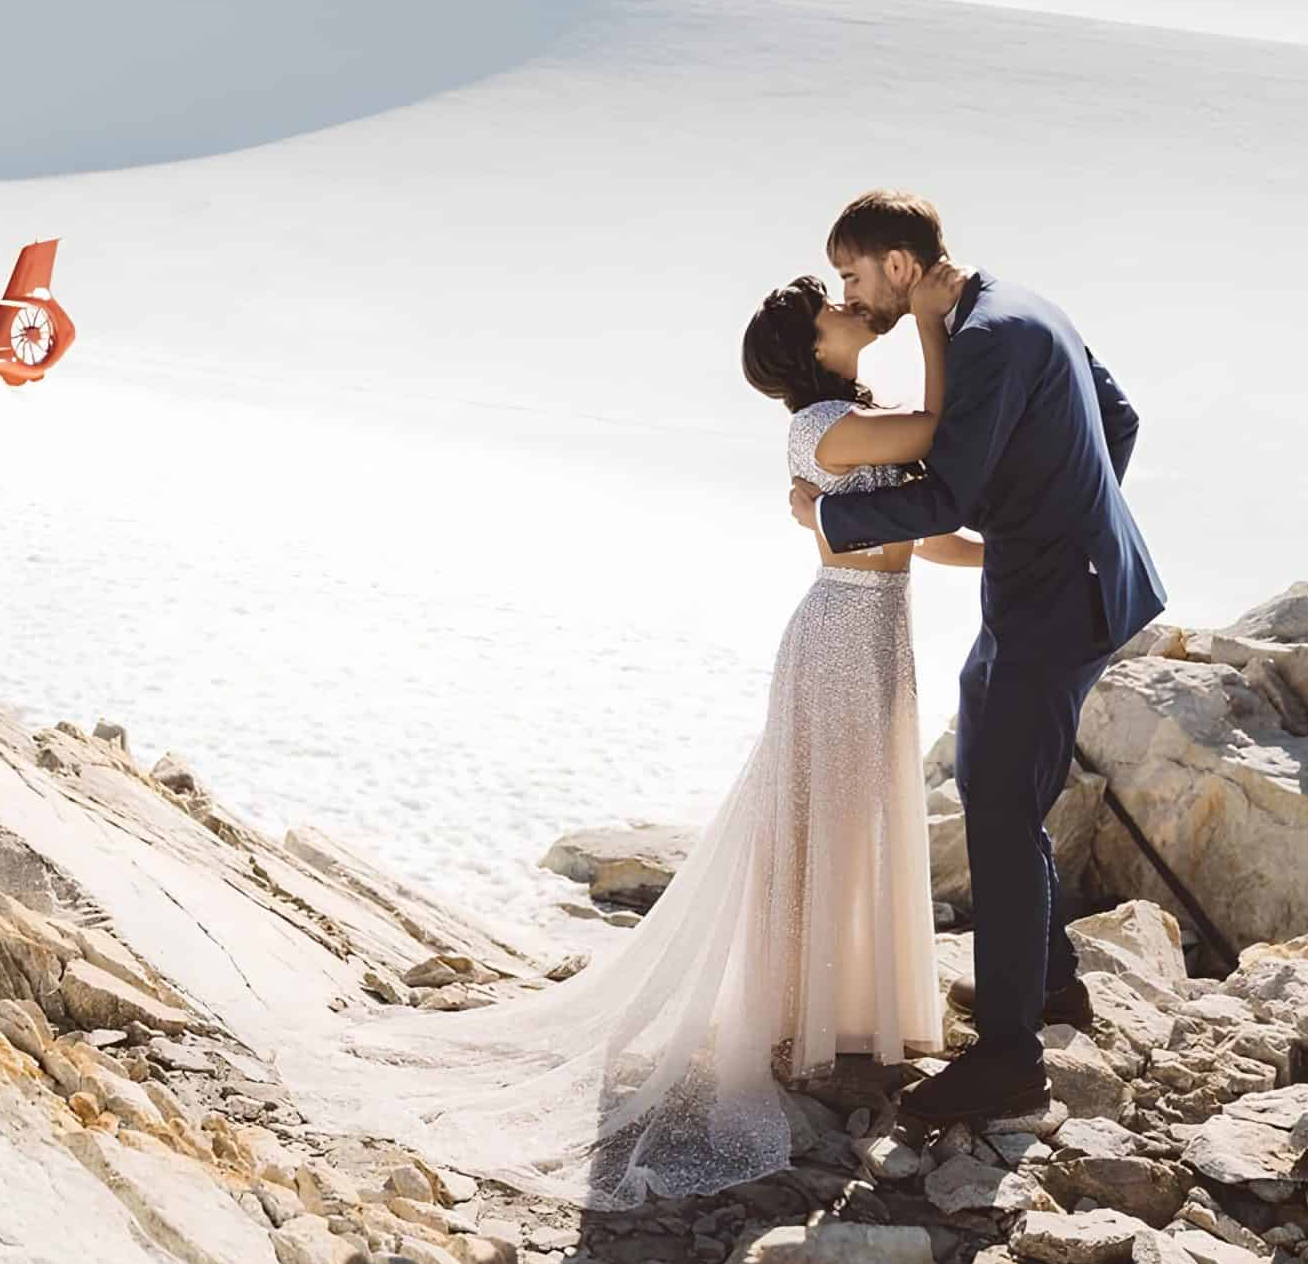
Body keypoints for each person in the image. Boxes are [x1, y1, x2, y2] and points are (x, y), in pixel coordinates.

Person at [278, 263, 974, 1208]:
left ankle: (841, 1015)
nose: (852, 310)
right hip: (841, 634)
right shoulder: (820, 428)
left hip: (880, 631)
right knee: (818, 822)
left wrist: (1012, 551)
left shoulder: (857, 419)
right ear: (812, 349)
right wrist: (932, 321)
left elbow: (923, 527)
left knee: (858, 820)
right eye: (832, 311)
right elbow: (942, 431)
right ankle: (792, 1022)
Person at [789, 189, 1163, 1126]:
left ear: (902, 269)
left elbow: (944, 496)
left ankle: (1009, 1063)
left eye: (853, 275)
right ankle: (1048, 981)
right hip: (1059, 584)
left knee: (998, 809)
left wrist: (828, 515)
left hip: (1057, 599)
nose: (851, 293)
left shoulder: (987, 336)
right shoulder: (1021, 302)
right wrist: (1064, 517)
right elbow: (1119, 421)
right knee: (997, 780)